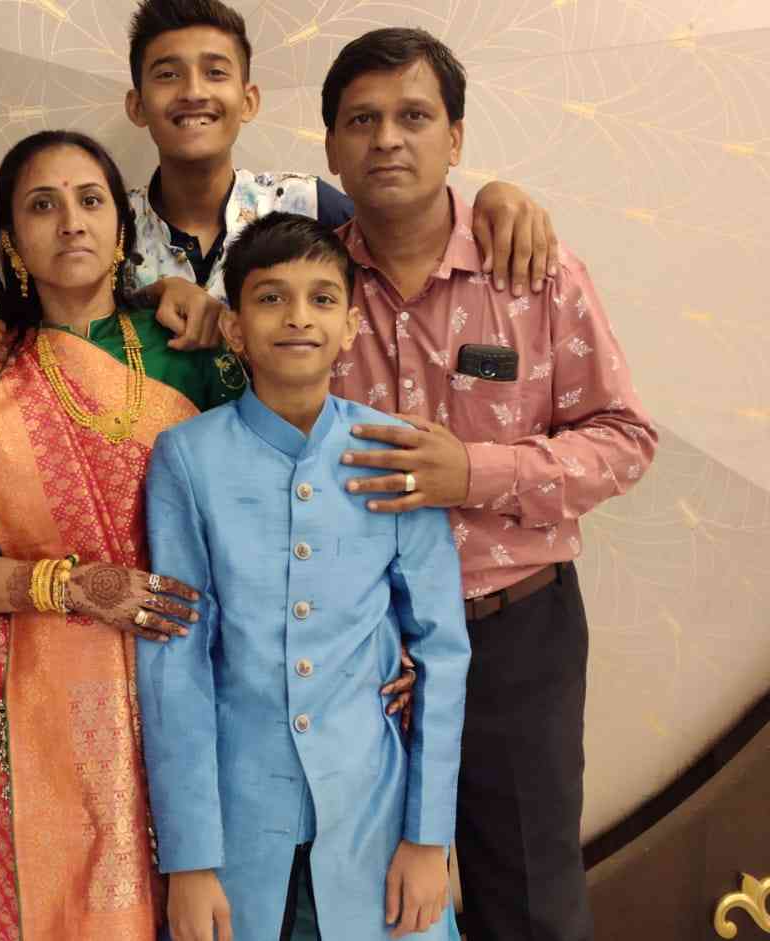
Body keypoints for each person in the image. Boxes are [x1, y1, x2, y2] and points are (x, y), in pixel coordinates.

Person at [322, 28, 658, 941]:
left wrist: (473, 471)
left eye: (413, 116)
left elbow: (625, 439)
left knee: (530, 904)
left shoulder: (534, 273)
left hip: (513, 631)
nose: (388, 139)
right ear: (332, 150)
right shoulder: (309, 289)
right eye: (362, 120)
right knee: (365, 907)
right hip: (361, 651)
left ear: (457, 139)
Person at [0, 129, 243, 941]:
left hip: (177, 678)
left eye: (91, 200)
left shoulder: (191, 354)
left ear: (122, 227)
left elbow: (259, 509)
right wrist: (63, 584)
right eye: (42, 205)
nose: (71, 222)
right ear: (11, 241)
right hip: (23, 704)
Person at [0, 0, 559, 396]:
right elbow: (46, 318)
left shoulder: (309, 205)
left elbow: (403, 231)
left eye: (215, 72)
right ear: (137, 104)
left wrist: (495, 197)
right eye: (167, 74)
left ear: (249, 99)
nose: (193, 92)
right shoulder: (104, 223)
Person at [139, 211, 471, 941]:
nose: (298, 317)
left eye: (322, 299)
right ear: (234, 328)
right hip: (238, 827)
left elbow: (444, 649)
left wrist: (429, 837)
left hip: (376, 817)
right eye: (271, 298)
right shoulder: (187, 458)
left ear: (349, 326)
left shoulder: (393, 450)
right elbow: (175, 663)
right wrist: (190, 860)